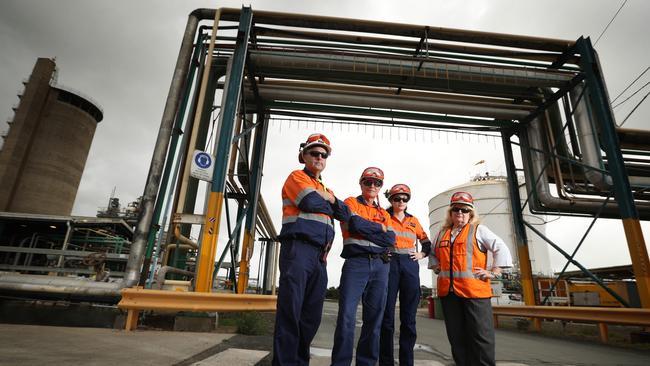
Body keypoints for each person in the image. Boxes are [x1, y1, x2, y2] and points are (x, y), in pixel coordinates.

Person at [273, 133, 351, 366]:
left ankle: (299, 362)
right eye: (314, 153)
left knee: (310, 317)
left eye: (323, 154)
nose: (319, 157)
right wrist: (330, 201)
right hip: (298, 250)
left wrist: (329, 198)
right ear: (304, 156)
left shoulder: (322, 186)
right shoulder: (297, 177)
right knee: (291, 313)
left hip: (320, 256)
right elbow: (310, 203)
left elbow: (345, 214)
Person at [429, 191, 513, 366]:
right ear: (450, 213)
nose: (460, 213)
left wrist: (494, 271)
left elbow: (501, 247)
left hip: (475, 293)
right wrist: (436, 266)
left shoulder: (478, 230)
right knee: (457, 337)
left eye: (465, 210)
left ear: (471, 213)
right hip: (449, 294)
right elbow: (432, 252)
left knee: (481, 338)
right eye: (456, 209)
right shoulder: (442, 233)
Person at [331, 167, 396, 366]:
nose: (372, 186)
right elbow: (354, 225)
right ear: (361, 183)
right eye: (368, 182)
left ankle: (366, 363)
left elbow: (390, 238)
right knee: (346, 317)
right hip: (356, 264)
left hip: (380, 266)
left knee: (374, 320)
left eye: (377, 183)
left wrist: (371, 229)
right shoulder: (351, 202)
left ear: (380, 187)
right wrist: (378, 229)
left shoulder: (384, 213)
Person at [379, 184, 431, 366]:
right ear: (391, 200)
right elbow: (375, 237)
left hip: (410, 265)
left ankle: (406, 362)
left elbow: (426, 243)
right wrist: (383, 252)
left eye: (404, 199)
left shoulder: (414, 221)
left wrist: (422, 254)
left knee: (408, 318)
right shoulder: (383, 217)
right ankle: (386, 362)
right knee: (387, 318)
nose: (401, 202)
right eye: (397, 198)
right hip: (390, 264)